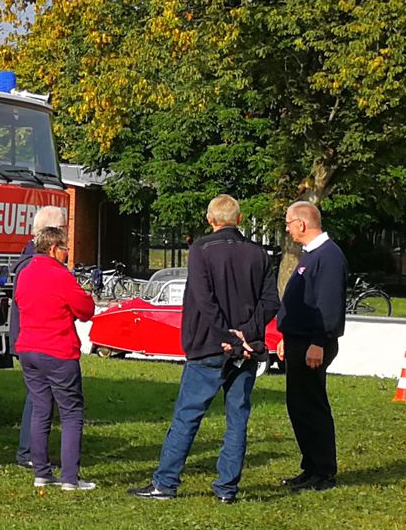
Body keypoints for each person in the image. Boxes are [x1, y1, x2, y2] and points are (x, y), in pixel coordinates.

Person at [128, 195, 278, 504]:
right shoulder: (258, 254)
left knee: (187, 416)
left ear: (210, 220)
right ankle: (227, 487)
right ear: (239, 218)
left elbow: (203, 299)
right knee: (237, 418)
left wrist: (227, 334)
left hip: (210, 344)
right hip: (247, 347)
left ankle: (166, 483)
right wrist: (246, 333)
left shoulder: (200, 251)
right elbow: (270, 301)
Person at [14, 225, 97, 491]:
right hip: (57, 350)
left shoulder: (25, 274)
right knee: (71, 413)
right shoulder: (60, 276)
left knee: (40, 409)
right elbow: (85, 309)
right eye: (65, 249)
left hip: (29, 349)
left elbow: (21, 302)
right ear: (53, 249)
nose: (67, 254)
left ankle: (41, 472)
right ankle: (70, 478)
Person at [275, 200, 347, 492]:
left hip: (312, 343)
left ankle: (323, 471)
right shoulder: (310, 255)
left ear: (302, 224)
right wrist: (286, 334)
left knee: (312, 405)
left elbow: (327, 305)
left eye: (289, 223)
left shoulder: (328, 256)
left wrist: (318, 341)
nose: (288, 229)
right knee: (299, 405)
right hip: (298, 339)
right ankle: (310, 466)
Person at [11, 205, 70, 469]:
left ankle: (34, 453)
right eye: (63, 230)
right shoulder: (33, 264)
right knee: (38, 398)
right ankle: (29, 454)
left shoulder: (28, 261)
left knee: (41, 397)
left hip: (35, 340)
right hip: (38, 341)